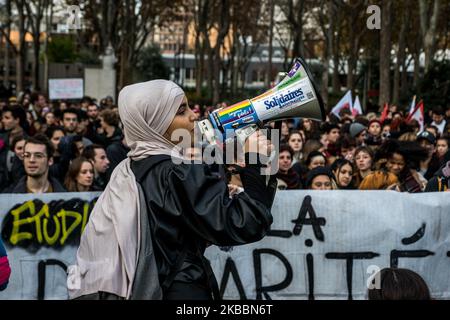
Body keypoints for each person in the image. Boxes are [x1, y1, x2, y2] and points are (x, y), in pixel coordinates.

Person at [69, 80, 275, 300]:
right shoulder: (175, 172)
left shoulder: (131, 168)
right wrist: (255, 161)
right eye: (181, 111)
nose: (193, 116)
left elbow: (184, 227)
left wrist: (232, 173)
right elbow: (245, 223)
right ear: (155, 123)